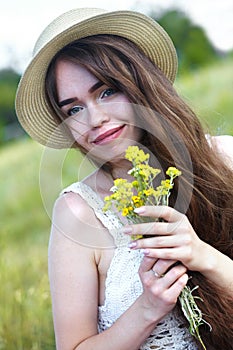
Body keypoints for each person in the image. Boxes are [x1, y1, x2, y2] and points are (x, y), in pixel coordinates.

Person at [15, 7, 233, 350]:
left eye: (106, 91)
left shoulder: (225, 158)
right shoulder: (77, 213)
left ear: (140, 85)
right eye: (73, 109)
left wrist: (205, 258)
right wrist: (148, 307)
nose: (95, 118)